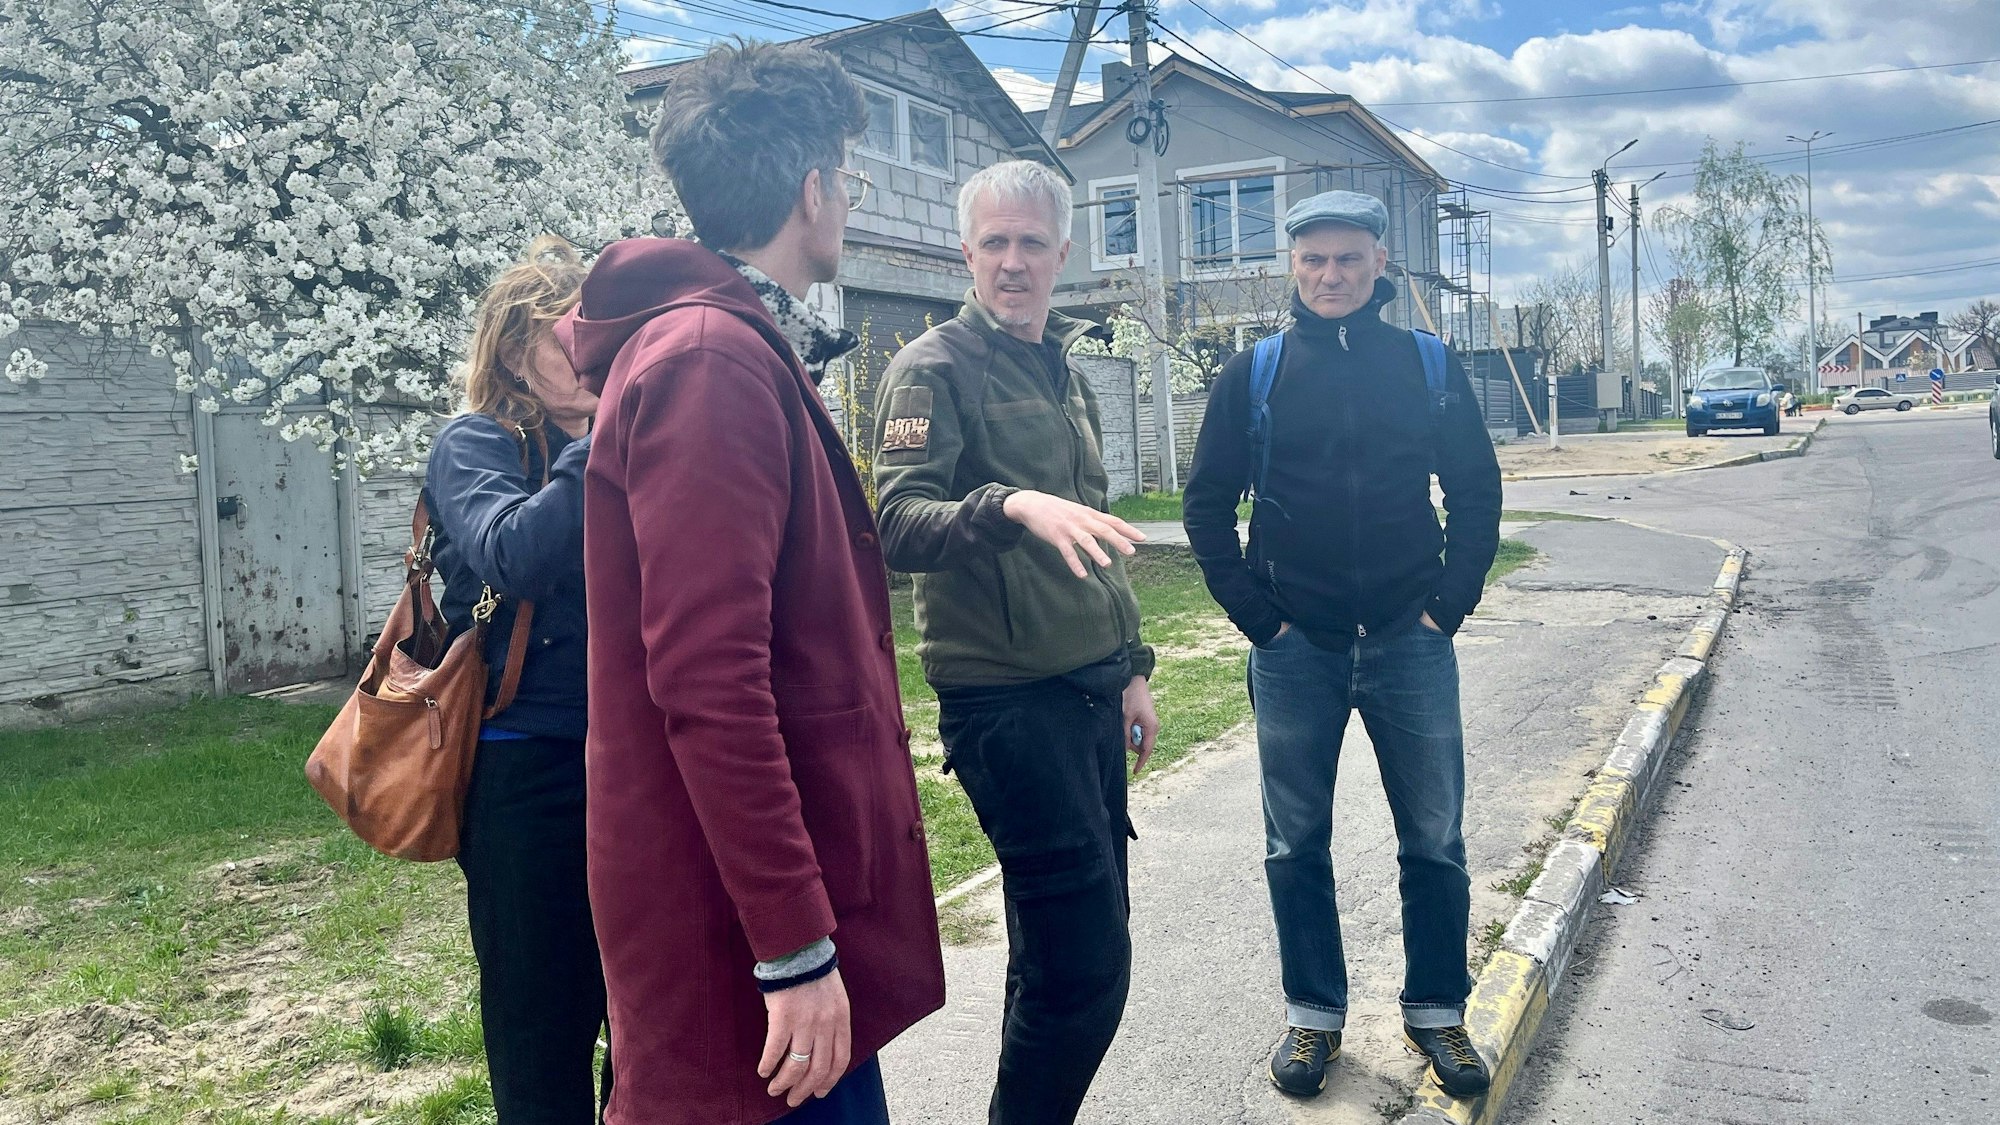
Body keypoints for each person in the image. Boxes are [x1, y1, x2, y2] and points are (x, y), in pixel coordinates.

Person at [554, 40, 944, 1125]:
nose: (851, 198)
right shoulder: (708, 362)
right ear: (812, 190)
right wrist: (792, 948)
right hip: (740, 938)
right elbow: (708, 679)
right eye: (848, 177)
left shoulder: (714, 341)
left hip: (758, 908)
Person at [1182, 190, 1503, 1100]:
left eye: (1349, 260)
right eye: (1314, 260)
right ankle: (1314, 1017)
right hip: (1295, 649)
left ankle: (1438, 1010)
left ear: (1379, 266)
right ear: (1291, 265)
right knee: (1295, 842)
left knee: (1434, 839)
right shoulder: (1256, 372)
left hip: (1412, 640)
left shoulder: (1429, 366)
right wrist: (1261, 621)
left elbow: (1476, 494)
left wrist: (1448, 607)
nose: (1331, 275)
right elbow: (1205, 507)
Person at [872, 159, 1160, 1125]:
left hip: (1086, 689)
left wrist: (1133, 669)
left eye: (1032, 242)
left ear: (1062, 255)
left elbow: (1099, 532)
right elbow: (897, 521)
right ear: (967, 251)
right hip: (1006, 702)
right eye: (993, 241)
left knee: (1061, 955)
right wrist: (1010, 503)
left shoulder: (1064, 369)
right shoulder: (933, 366)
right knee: (1088, 966)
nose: (1012, 261)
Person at [421, 234, 610, 1124]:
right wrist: (594, 442)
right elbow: (512, 554)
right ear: (510, 351)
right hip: (526, 772)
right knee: (541, 1043)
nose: (590, 352)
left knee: (649, 1028)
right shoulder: (474, 444)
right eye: (566, 334)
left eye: (597, 334)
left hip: (632, 767)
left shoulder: (618, 449)